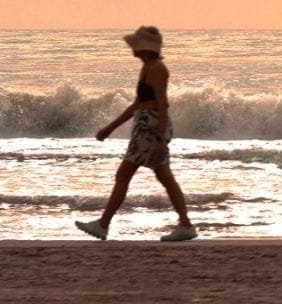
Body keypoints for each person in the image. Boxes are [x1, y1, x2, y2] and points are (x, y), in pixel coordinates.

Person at [75, 26, 198, 242]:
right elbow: (138, 104)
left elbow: (161, 103)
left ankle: (103, 224)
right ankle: (186, 225)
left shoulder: (158, 69)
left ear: (145, 48)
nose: (132, 48)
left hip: (150, 128)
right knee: (164, 177)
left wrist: (160, 136)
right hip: (145, 125)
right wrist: (110, 127)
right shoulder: (147, 67)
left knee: (125, 175)